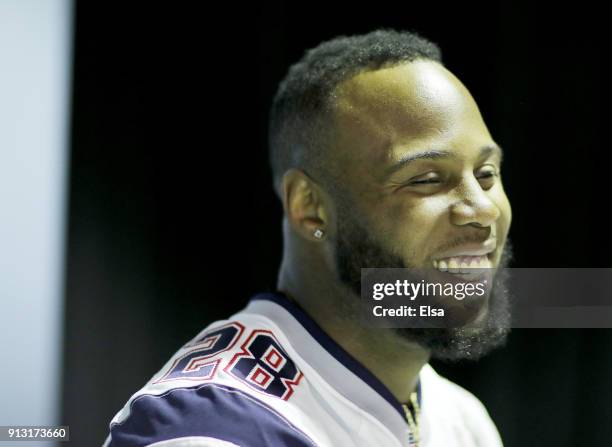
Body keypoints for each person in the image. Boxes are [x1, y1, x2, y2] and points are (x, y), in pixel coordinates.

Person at [103, 28, 513, 447]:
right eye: (426, 179)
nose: (483, 210)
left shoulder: (460, 420)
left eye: (487, 174)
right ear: (310, 207)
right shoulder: (211, 428)